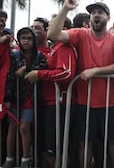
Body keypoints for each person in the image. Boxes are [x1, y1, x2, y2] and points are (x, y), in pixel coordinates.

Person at [47, 0, 114, 168]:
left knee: (113, 143)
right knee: (84, 143)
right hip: (85, 102)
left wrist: (95, 71)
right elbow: (52, 34)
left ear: (108, 17)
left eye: (100, 12)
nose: (96, 15)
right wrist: (66, 9)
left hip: (111, 102)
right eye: (92, 13)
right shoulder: (80, 34)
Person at [25, 17, 78, 168]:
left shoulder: (64, 47)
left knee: (56, 150)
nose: (49, 29)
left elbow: (66, 73)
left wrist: (39, 74)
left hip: (60, 104)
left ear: (64, 28)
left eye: (52, 26)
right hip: (52, 103)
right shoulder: (56, 47)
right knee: (51, 148)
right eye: (48, 26)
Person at [3, 27, 48, 168]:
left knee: (24, 128)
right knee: (12, 127)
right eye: (23, 38)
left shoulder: (39, 55)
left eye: (29, 38)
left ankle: (25, 159)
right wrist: (8, 99)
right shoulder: (14, 55)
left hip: (30, 98)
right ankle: (9, 159)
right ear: (19, 40)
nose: (26, 41)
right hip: (15, 97)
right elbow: (9, 77)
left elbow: (43, 68)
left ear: (34, 40)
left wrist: (27, 69)